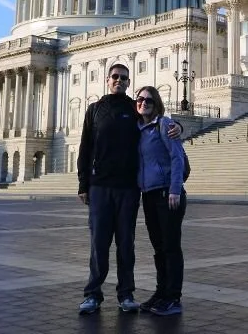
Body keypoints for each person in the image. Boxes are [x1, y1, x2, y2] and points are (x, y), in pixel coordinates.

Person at [77, 64, 182, 315]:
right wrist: (83, 183)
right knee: (99, 243)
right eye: (115, 77)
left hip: (128, 187)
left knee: (126, 243)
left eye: (124, 78)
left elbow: (156, 120)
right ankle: (93, 294)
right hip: (100, 185)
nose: (119, 80)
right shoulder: (94, 109)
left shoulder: (134, 109)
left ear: (128, 82)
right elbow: (85, 147)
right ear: (107, 79)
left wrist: (179, 125)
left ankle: (126, 293)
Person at [134, 86, 187, 316]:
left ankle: (173, 297)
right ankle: (161, 292)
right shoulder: (137, 129)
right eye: (140, 99)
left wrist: (175, 189)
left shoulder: (165, 125)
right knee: (158, 248)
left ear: (157, 104)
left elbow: (177, 157)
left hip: (168, 194)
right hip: (149, 194)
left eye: (149, 100)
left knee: (170, 247)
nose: (144, 103)